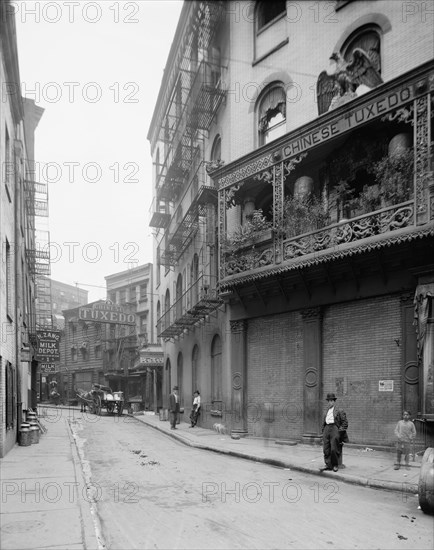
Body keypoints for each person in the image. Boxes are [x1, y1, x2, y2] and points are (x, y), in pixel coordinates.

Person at [320, 392, 349, 472]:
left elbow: (345, 422)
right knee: (326, 448)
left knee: (334, 448)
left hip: (334, 428)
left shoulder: (339, 410)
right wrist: (323, 430)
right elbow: (324, 421)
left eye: (332, 401)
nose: (330, 402)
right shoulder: (327, 410)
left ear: (334, 401)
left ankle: (335, 465)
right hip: (327, 428)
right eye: (329, 401)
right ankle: (328, 465)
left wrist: (339, 432)